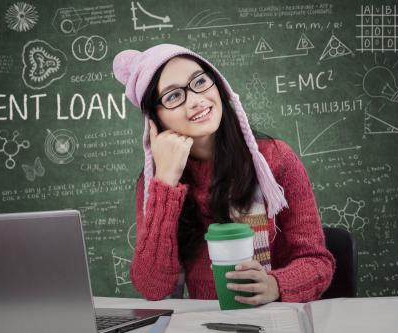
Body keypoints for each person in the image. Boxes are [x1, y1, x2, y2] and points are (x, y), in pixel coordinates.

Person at [112, 44, 335, 305]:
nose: (195, 100)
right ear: (155, 118)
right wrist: (166, 183)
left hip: (275, 317)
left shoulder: (274, 160)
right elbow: (152, 287)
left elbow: (317, 262)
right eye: (173, 96)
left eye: (200, 81)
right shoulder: (156, 185)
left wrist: (275, 285)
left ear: (218, 84)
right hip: (201, 323)